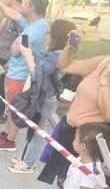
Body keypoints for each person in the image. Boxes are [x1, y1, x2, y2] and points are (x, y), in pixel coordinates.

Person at [38, 9, 110, 185]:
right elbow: (66, 65)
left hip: (98, 148)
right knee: (66, 188)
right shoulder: (108, 60)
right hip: (74, 137)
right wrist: (71, 45)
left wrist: (106, 80)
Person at [8, 19, 76, 174]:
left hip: (45, 98)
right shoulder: (52, 52)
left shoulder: (56, 56)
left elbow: (37, 75)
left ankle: (28, 164)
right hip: (42, 96)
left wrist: (27, 55)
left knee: (38, 131)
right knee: (33, 129)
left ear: (57, 37)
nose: (46, 34)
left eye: (50, 32)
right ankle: (25, 158)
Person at [0, 0, 51, 151]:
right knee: (12, 107)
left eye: (26, 2)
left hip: (20, 75)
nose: (22, 6)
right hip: (18, 72)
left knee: (16, 108)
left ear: (31, 7)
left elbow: (16, 50)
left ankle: (10, 140)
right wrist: (1, 4)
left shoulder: (33, 30)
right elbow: (15, 16)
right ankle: (7, 133)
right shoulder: (39, 24)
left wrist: (14, 46)